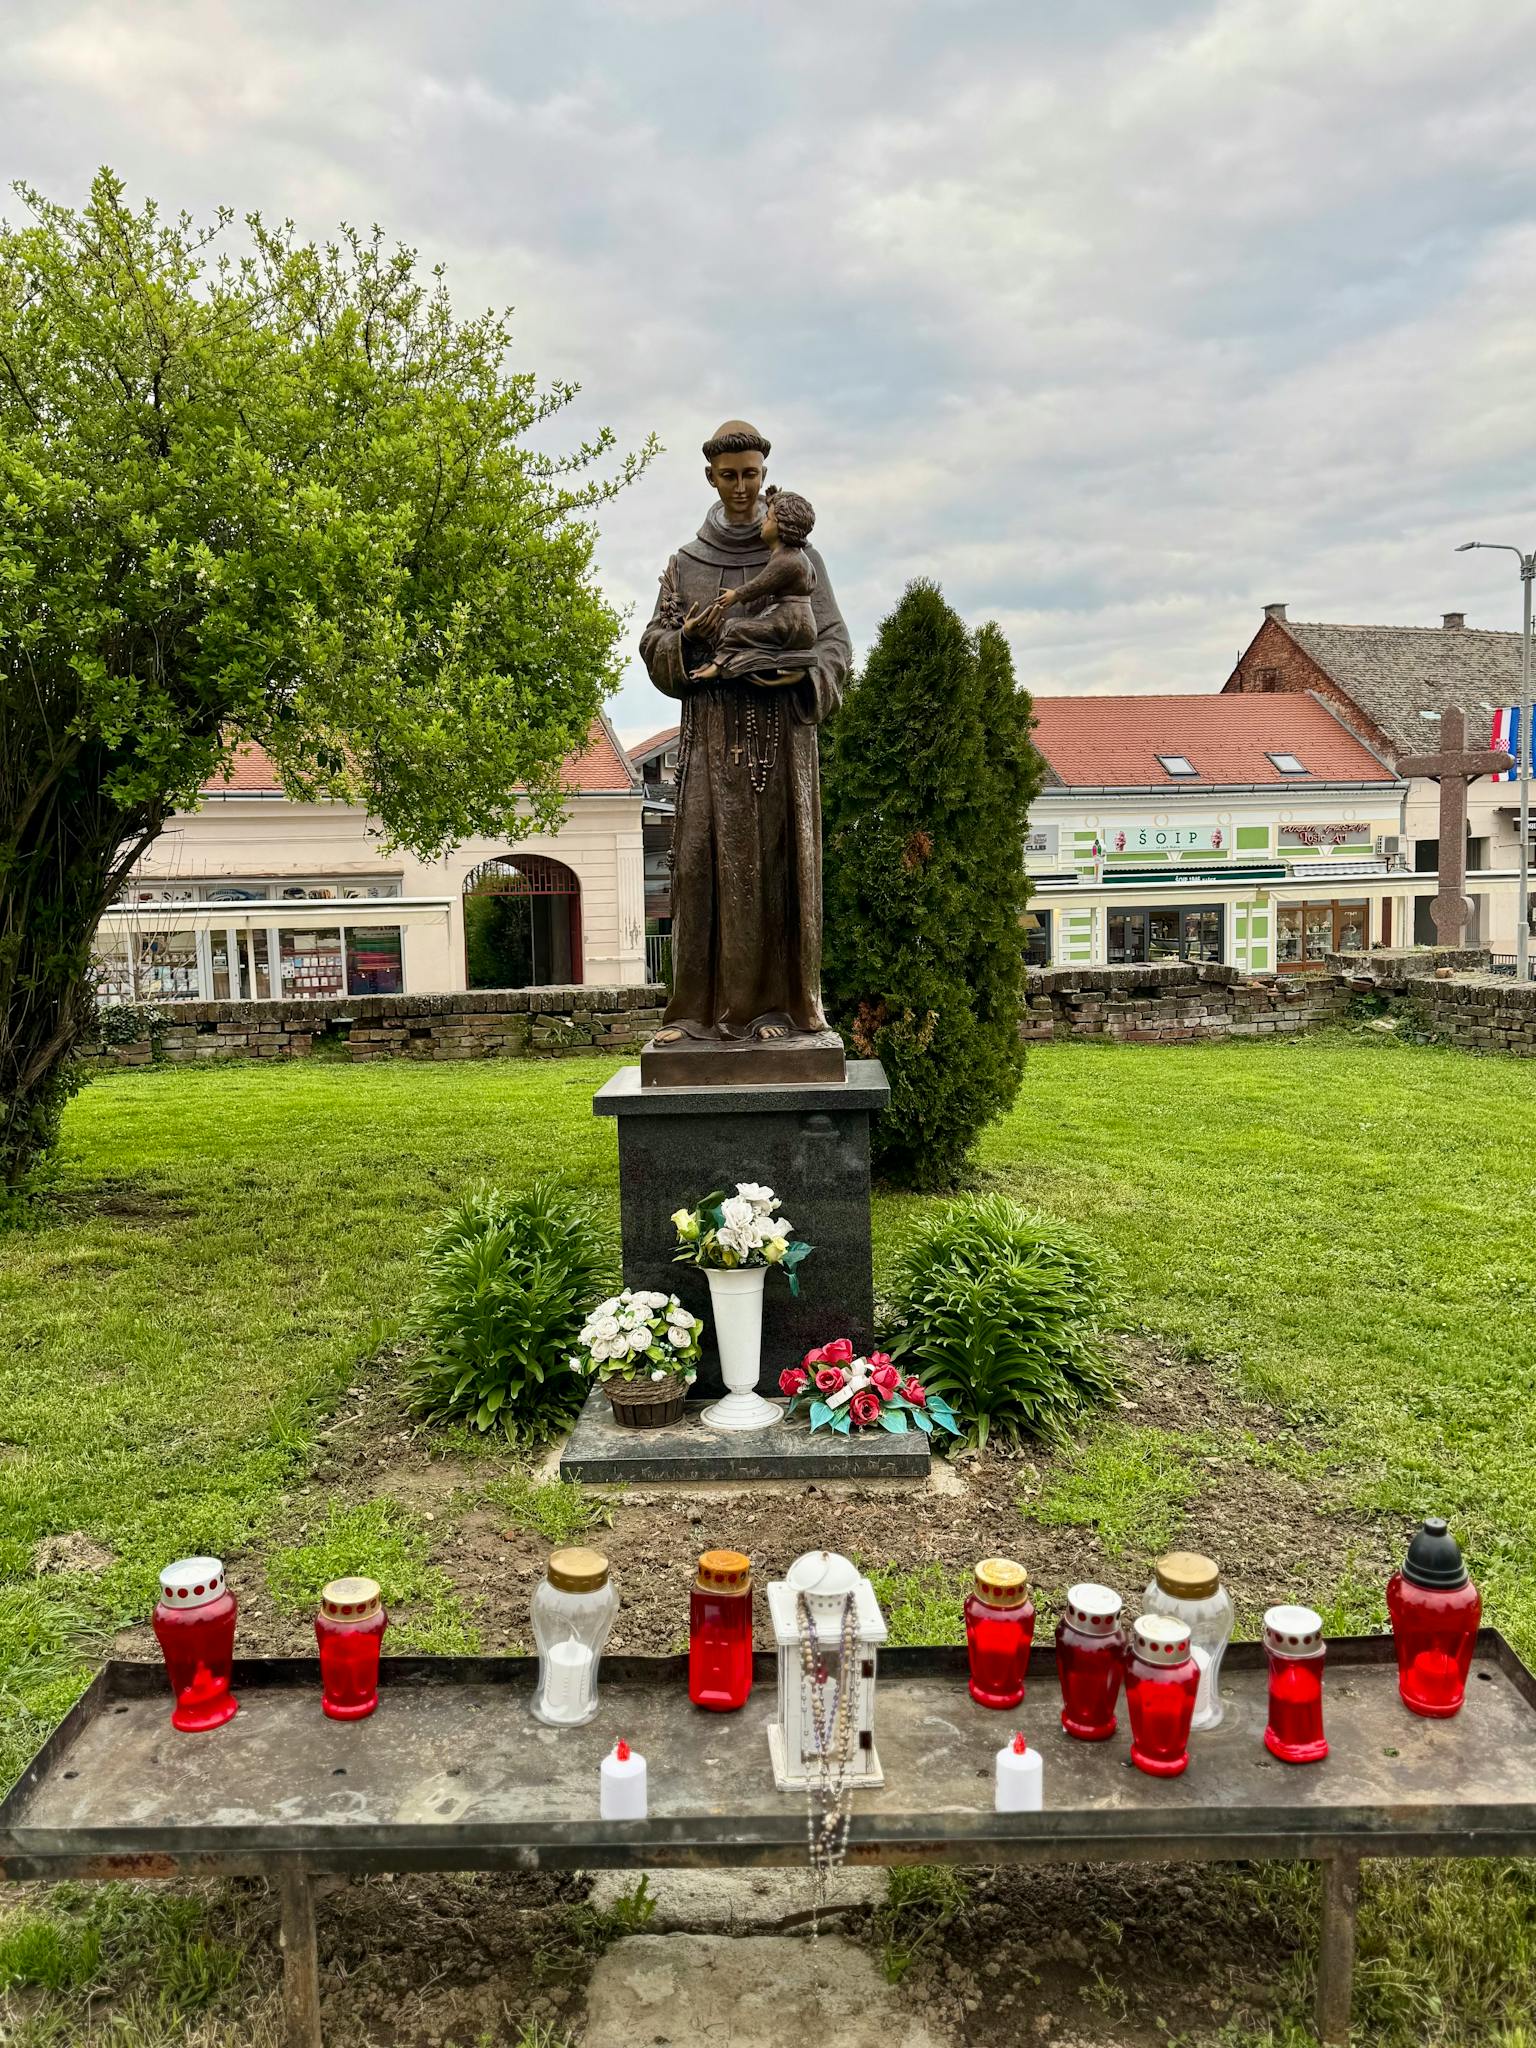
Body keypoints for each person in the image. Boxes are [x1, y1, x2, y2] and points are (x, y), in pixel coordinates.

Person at [639, 421, 851, 1046]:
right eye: (728, 475)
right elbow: (654, 646)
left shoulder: (799, 556)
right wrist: (689, 640)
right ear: (710, 477)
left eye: (750, 474)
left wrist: (797, 672)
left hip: (782, 743)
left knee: (777, 871)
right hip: (709, 741)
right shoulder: (685, 563)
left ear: (764, 474)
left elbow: (835, 643)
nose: (740, 486)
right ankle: (695, 1016)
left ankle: (779, 1014)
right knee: (703, 871)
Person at [687, 490, 817, 683]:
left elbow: (761, 584)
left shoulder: (788, 560)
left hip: (792, 625)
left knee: (732, 628)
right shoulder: (796, 557)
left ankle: (719, 665)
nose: (763, 521)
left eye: (768, 517)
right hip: (796, 622)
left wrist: (736, 595)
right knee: (741, 628)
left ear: (783, 527)